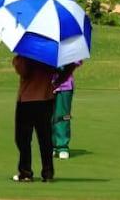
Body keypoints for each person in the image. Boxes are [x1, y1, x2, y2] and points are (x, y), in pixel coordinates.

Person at [12, 54, 59, 182]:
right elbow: (65, 68)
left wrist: (17, 59)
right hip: (46, 99)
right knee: (45, 139)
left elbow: (23, 71)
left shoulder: (26, 54)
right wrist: (59, 81)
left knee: (23, 139)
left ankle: (26, 173)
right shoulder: (50, 53)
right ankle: (48, 173)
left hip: (27, 100)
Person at [51, 61, 80, 160]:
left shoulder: (70, 45)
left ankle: (62, 147)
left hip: (65, 85)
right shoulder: (46, 45)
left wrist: (62, 67)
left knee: (63, 116)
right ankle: (52, 145)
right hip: (45, 85)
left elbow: (77, 61)